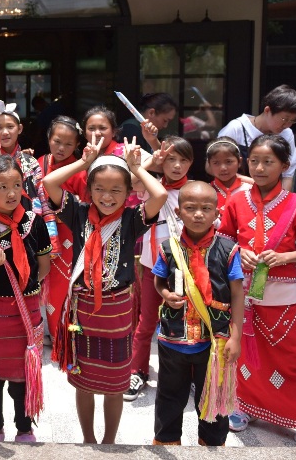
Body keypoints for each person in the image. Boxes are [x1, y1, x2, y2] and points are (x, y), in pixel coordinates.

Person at [218, 134, 296, 447]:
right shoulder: (236, 201)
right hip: (242, 294)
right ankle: (242, 405)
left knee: (289, 360)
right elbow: (222, 241)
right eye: (254, 161)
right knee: (244, 354)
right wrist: (239, 251)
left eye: (268, 162)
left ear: (285, 165)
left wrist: (285, 257)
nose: (259, 168)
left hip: (282, 296)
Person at [43, 133, 167, 444]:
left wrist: (136, 169)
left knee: (115, 384)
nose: (107, 196)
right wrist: (83, 163)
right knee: (83, 382)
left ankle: (109, 441)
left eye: (116, 190)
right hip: (83, 310)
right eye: (99, 188)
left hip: (117, 312)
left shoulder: (132, 219)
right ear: (88, 190)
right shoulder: (78, 213)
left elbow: (160, 194)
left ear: (128, 193)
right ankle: (88, 439)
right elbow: (49, 182)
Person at [0, 155, 52, 442]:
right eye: (2, 187)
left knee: (24, 374)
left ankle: (24, 428)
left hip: (27, 311)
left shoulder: (35, 223)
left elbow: (43, 267)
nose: (11, 193)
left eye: (16, 185)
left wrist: (26, 288)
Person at [151, 181, 244, 446]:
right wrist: (166, 294)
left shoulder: (228, 250)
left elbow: (237, 294)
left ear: (217, 212)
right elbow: (158, 280)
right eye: (190, 208)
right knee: (169, 396)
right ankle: (167, 442)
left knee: (214, 397)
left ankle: (212, 445)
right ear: (178, 212)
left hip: (215, 341)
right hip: (173, 339)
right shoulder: (168, 248)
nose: (198, 214)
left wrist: (236, 337)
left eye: (206, 208)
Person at [128, 137, 193, 402]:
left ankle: (186, 374)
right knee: (146, 323)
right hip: (152, 266)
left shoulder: (194, 190)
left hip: (185, 269)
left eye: (183, 160)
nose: (177, 166)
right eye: (170, 160)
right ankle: (137, 371)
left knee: (186, 321)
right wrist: (150, 162)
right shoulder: (151, 186)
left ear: (191, 163)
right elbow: (131, 181)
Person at [0, 99, 58, 260]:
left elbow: (42, 197)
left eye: (10, 127)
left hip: (29, 227)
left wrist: (50, 235)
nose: (5, 132)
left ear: (19, 129)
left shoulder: (30, 161)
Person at [37, 116, 82, 337]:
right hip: (42, 232)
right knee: (45, 282)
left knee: (62, 285)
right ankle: (53, 332)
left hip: (69, 236)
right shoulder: (39, 162)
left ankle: (62, 336)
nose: (61, 148)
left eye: (68, 144)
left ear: (77, 145)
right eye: (57, 141)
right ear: (48, 138)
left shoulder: (81, 170)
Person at [218, 84, 296, 190]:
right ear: (267, 110)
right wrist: (254, 183)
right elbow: (212, 167)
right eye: (284, 119)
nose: (287, 125)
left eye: (292, 121)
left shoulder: (287, 133)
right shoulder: (236, 128)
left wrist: (282, 198)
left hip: (272, 195)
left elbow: (288, 175)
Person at [205, 137, 252, 213]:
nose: (223, 168)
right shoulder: (205, 191)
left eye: (228, 162)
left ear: (239, 162)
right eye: (216, 163)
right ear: (209, 164)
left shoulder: (250, 190)